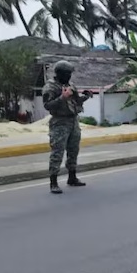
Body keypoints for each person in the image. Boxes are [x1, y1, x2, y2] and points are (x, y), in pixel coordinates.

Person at [41, 60, 93, 194]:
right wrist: (62, 98)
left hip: (73, 121)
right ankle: (53, 182)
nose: (69, 76)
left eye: (70, 74)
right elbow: (47, 105)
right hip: (59, 122)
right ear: (59, 74)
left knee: (73, 149)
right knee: (57, 152)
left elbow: (76, 101)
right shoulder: (50, 87)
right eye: (67, 74)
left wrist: (85, 96)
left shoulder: (71, 85)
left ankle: (72, 177)